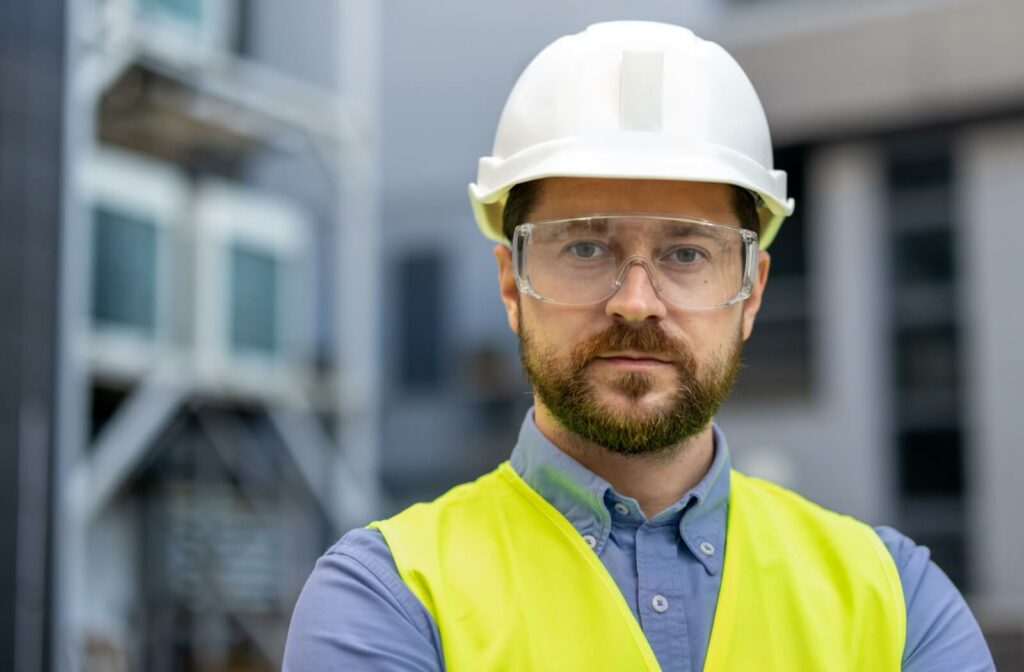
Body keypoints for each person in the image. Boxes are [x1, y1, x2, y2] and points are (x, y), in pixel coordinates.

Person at [283, 21, 994, 671]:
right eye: (586, 246)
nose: (635, 301)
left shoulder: (897, 600)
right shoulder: (389, 596)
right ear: (510, 282)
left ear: (750, 291)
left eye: (686, 254)